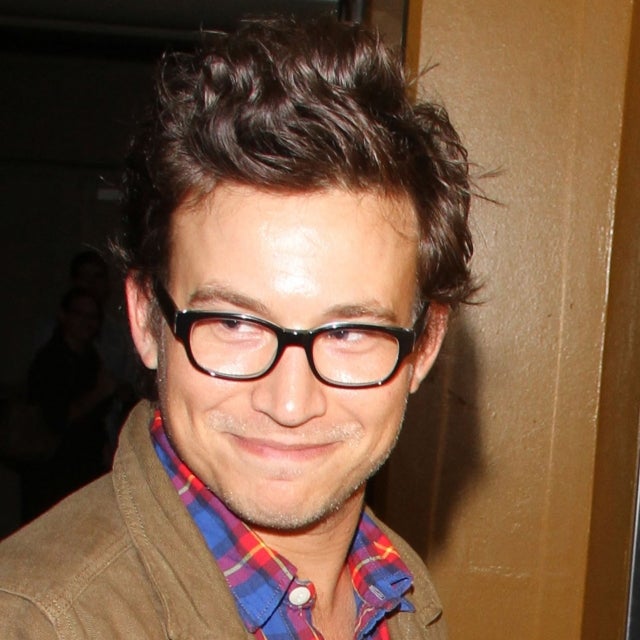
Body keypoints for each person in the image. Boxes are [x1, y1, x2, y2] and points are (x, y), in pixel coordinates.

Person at [0, 16, 474, 639]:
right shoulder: (36, 622)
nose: (289, 403)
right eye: (233, 322)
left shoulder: (401, 597)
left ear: (424, 347)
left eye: (348, 332)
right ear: (146, 318)